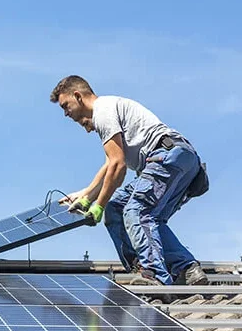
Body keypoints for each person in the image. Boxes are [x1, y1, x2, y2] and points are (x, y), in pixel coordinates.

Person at [50, 75, 209, 286]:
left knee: (137, 211)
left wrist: (98, 206)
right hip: (181, 159)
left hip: (165, 157)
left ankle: (152, 275)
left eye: (65, 105)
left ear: (77, 96)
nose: (65, 113)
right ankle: (187, 268)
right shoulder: (110, 109)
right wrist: (85, 194)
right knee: (119, 209)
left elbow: (118, 166)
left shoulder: (102, 111)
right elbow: (110, 164)